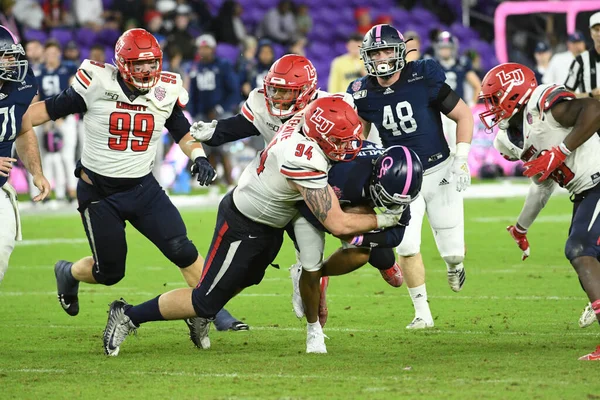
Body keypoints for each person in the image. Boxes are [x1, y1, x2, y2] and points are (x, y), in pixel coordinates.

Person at [102, 96, 407, 356]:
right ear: (320, 138)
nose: (348, 147)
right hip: (244, 222)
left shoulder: (310, 120)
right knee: (204, 299)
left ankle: (201, 312)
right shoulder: (303, 156)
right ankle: (128, 315)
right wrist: (385, 218)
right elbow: (337, 223)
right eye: (340, 141)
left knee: (244, 280)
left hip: (272, 220)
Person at [191, 54, 402, 328]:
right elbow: (240, 126)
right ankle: (313, 287)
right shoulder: (261, 102)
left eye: (286, 91)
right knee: (309, 259)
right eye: (274, 88)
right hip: (284, 189)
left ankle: (382, 260)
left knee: (368, 240)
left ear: (308, 91)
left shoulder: (330, 105)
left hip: (326, 180)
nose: (277, 97)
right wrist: (213, 132)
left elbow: (354, 141)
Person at [26, 29, 217, 320]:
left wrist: (199, 156)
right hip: (100, 194)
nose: (146, 70)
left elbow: (182, 131)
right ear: (122, 63)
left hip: (143, 189)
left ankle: (215, 311)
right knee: (110, 272)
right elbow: (42, 112)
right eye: (138, 64)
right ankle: (68, 272)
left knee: (181, 248)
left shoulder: (165, 90)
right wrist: (9, 121)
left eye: (151, 63)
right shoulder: (96, 83)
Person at [347, 24, 474, 329]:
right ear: (366, 56)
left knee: (454, 252)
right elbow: (358, 138)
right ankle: (422, 313)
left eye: (387, 49)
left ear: (400, 51)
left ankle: (454, 266)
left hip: (440, 169)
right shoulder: (363, 92)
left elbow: (463, 115)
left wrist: (462, 158)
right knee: (406, 246)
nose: (381, 57)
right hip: (401, 178)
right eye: (375, 52)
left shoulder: (423, 75)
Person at [479, 62, 600, 361]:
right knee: (587, 256)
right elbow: (542, 185)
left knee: (581, 250)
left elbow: (594, 110)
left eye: (494, 99)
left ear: (512, 93)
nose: (491, 108)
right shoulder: (508, 138)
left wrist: (561, 152)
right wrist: (521, 227)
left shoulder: (544, 103)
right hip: (584, 193)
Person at [290, 143, 423, 325]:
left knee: (386, 267)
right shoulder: (344, 176)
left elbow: (396, 236)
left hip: (358, 199)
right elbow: (305, 205)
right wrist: (340, 227)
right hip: (316, 201)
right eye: (387, 198)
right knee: (354, 254)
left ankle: (319, 274)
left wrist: (359, 238)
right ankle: (310, 275)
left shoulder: (399, 186)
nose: (393, 206)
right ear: (377, 178)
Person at [0, 25, 50, 283]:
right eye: (5, 56)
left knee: (0, 255)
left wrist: (36, 171)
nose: (12, 62)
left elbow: (23, 128)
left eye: (12, 55)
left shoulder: (19, 84)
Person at [34, 40, 77, 202]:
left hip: (66, 117)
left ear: (59, 53)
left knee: (67, 156)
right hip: (45, 116)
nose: (51, 56)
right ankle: (46, 192)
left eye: (53, 53)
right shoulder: (39, 72)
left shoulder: (69, 69)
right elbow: (36, 97)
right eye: (48, 53)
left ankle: (71, 191)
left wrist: (62, 116)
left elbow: (74, 94)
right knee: (44, 156)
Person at [564, 12, 600, 99]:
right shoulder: (581, 60)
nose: (599, 34)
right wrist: (590, 94)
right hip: (590, 111)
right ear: (591, 32)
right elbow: (566, 94)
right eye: (596, 29)